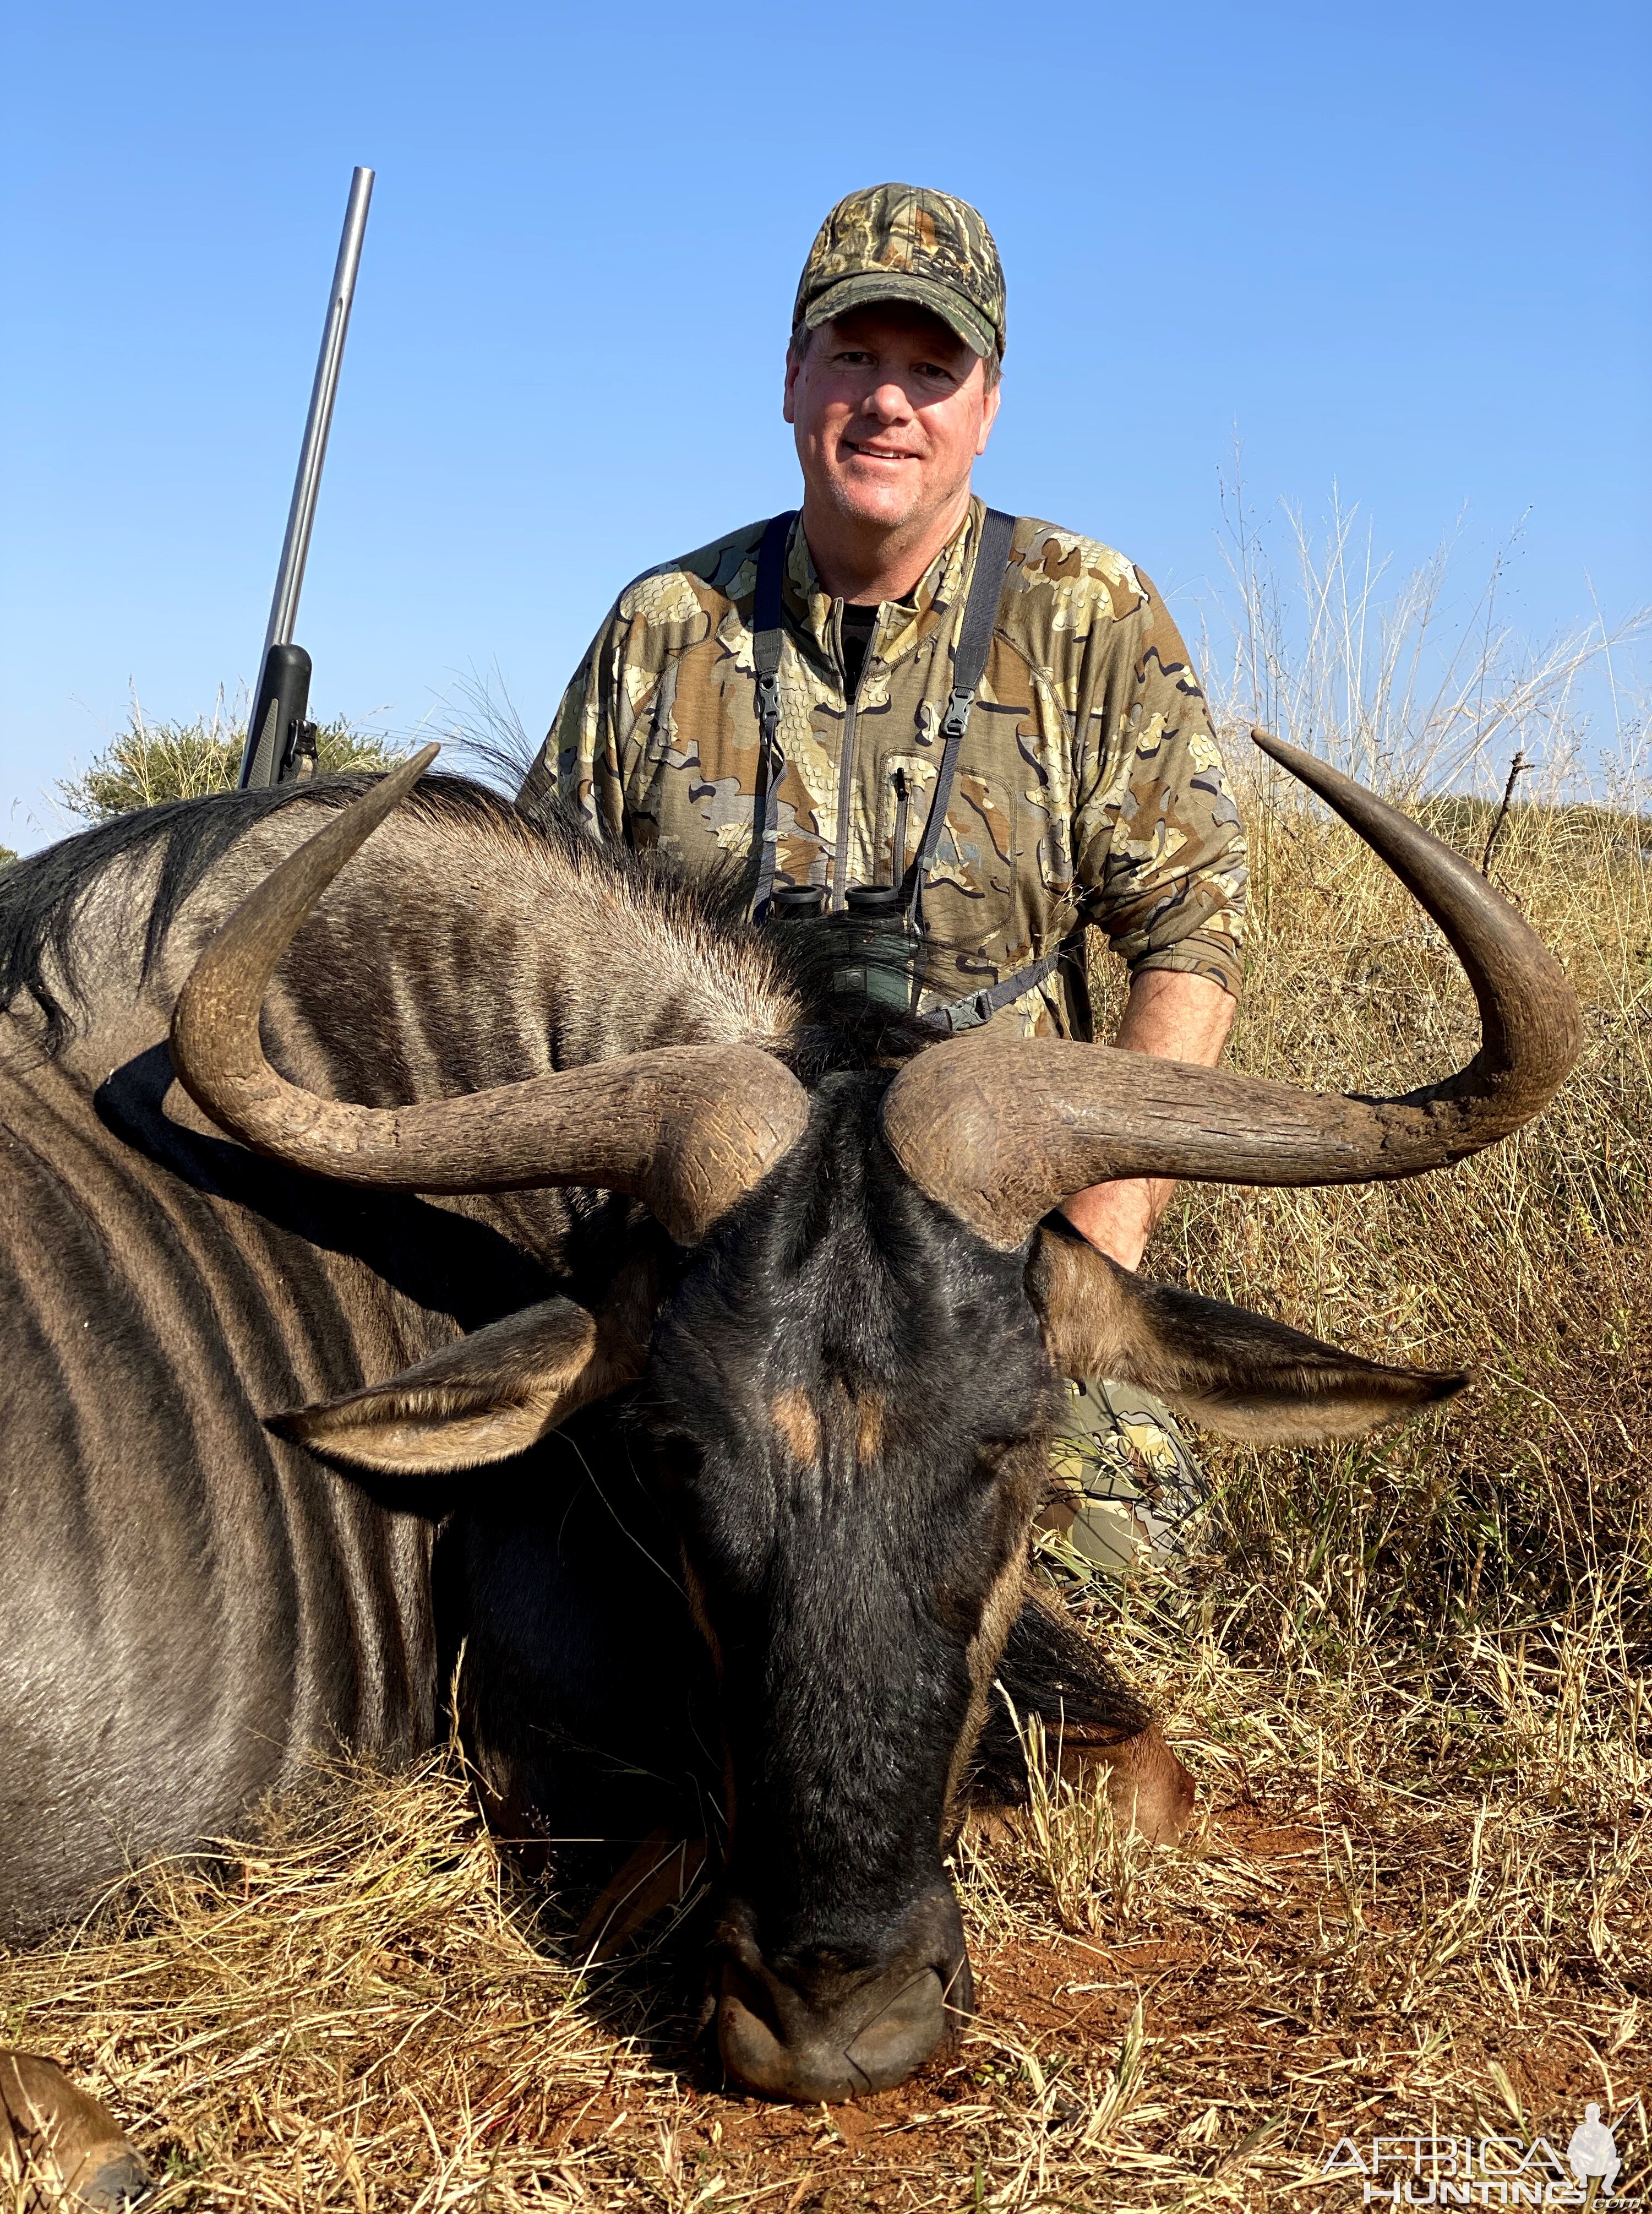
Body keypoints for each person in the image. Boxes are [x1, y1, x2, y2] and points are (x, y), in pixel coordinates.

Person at [522, 183, 1247, 1563]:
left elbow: (1193, 940)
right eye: (854, 356)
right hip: (717, 1265)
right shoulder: (661, 626)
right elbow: (542, 949)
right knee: (566, 1537)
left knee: (1122, 1547)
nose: (889, 403)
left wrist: (1091, 1259)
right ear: (794, 379)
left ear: (986, 405)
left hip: (981, 1258)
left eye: (933, 368)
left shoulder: (1089, 611)